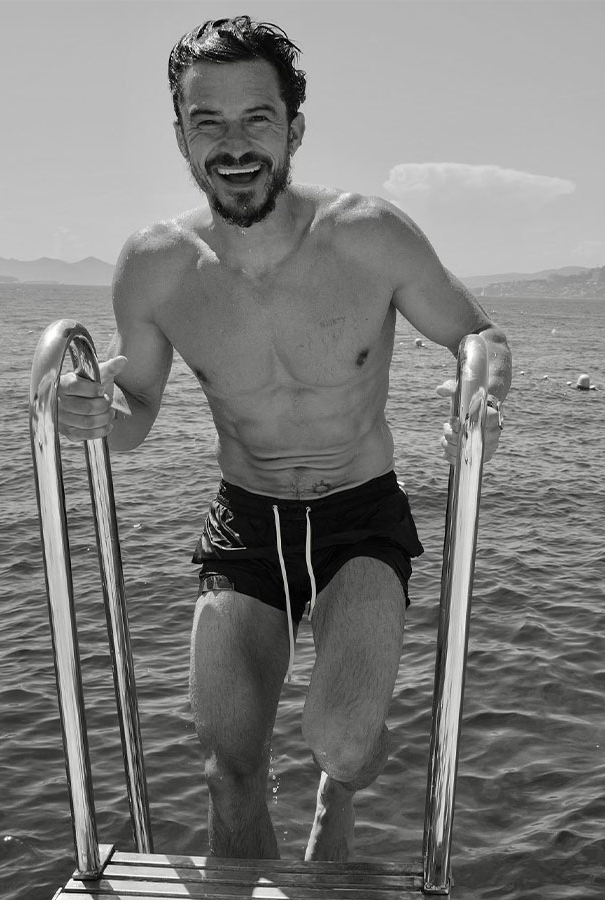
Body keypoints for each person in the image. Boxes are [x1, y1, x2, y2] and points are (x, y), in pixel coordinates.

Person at [58, 16, 512, 862]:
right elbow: (139, 412)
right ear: (181, 139)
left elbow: (478, 334)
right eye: (208, 123)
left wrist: (481, 379)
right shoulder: (155, 265)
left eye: (256, 119)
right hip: (245, 522)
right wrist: (92, 419)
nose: (233, 145)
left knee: (339, 741)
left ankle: (338, 795)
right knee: (229, 772)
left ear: (293, 128)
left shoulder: (369, 234)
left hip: (359, 517)